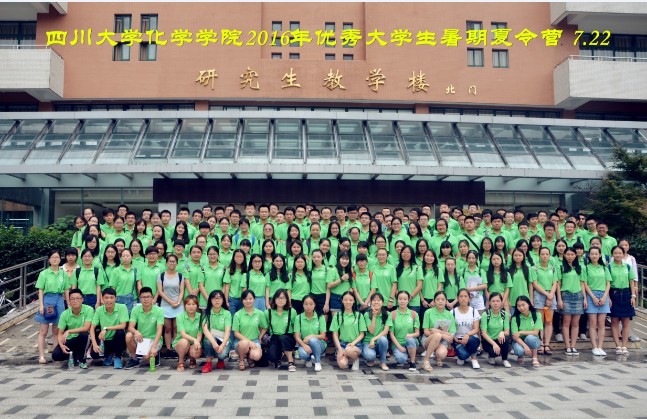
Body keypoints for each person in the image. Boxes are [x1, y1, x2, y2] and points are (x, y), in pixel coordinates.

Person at [35, 250, 70, 365]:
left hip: (59, 300)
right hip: (47, 300)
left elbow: (66, 290)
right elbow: (40, 290)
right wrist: (41, 305)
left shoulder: (63, 274)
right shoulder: (44, 273)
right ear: (49, 259)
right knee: (43, 330)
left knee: (57, 330)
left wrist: (68, 304)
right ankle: (41, 355)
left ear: (60, 259)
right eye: (53, 257)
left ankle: (56, 356)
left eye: (57, 257)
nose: (55, 259)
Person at [51, 289, 94, 368]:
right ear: (69, 301)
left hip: (83, 339)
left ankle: (82, 360)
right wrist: (61, 345)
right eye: (72, 299)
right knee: (56, 355)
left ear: (82, 300)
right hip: (71, 339)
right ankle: (73, 356)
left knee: (84, 334)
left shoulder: (89, 310)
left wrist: (69, 331)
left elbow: (86, 327)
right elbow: (60, 333)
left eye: (78, 298)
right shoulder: (65, 314)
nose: (75, 301)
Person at [124, 287, 165, 369]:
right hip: (141, 338)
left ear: (152, 297)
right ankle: (134, 359)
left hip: (153, 339)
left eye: (148, 297)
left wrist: (153, 346)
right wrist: (136, 332)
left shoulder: (159, 310)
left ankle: (154, 354)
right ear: (140, 298)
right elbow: (130, 327)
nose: (146, 299)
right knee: (128, 336)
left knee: (147, 357)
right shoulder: (135, 309)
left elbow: (159, 330)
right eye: (143, 297)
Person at [608, 245, 638, 355]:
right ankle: (617, 345)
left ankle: (624, 345)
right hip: (614, 293)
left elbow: (631, 282)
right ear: (612, 254)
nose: (618, 255)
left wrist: (633, 296)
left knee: (626, 321)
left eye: (620, 253)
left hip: (626, 293)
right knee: (614, 321)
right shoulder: (609, 267)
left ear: (623, 253)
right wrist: (609, 298)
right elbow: (608, 283)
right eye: (615, 253)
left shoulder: (628, 266)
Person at [557, 247, 586, 355]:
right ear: (564, 255)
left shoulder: (580, 267)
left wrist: (584, 298)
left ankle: (573, 346)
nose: (570, 256)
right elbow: (558, 284)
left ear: (576, 255)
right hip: (566, 295)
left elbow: (582, 283)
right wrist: (559, 299)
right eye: (568, 254)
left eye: (572, 254)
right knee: (566, 323)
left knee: (575, 323)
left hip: (578, 296)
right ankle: (567, 346)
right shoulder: (561, 267)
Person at [89, 288, 128, 369]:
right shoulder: (99, 310)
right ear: (102, 299)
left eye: (111, 298)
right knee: (94, 354)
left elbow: (123, 325)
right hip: (105, 340)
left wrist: (106, 328)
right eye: (106, 298)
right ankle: (109, 355)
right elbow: (92, 328)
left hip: (117, 340)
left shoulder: (122, 307)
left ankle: (118, 357)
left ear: (115, 298)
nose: (109, 300)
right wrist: (94, 344)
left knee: (120, 332)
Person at [583, 247, 611, 356]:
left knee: (601, 323)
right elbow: (585, 284)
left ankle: (600, 346)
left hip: (603, 295)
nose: (594, 256)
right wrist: (593, 297)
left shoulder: (604, 268)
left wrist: (604, 297)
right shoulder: (586, 268)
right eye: (592, 254)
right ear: (589, 255)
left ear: (600, 255)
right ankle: (594, 347)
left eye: (596, 254)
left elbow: (608, 283)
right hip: (591, 295)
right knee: (593, 323)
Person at [233, 290, 268, 371]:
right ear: (242, 300)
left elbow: (265, 327)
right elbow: (236, 333)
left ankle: (250, 358)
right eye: (245, 299)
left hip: (255, 341)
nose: (248, 301)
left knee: (256, 356)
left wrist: (260, 336)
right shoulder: (238, 314)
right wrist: (249, 342)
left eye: (250, 299)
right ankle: (241, 359)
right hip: (240, 342)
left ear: (254, 299)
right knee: (244, 343)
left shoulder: (259, 313)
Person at [330, 291, 366, 371]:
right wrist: (339, 348)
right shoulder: (338, 315)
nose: (348, 302)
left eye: (350, 300)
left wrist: (353, 343)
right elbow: (335, 334)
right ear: (342, 301)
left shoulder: (359, 315)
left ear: (354, 301)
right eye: (345, 300)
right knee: (342, 364)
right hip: (342, 344)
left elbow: (362, 334)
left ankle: (355, 359)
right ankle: (348, 357)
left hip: (355, 345)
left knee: (348, 350)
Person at [420, 291, 456, 371]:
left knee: (442, 354)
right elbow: (426, 331)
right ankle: (426, 360)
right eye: (438, 299)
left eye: (443, 299)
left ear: (446, 301)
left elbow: (451, 333)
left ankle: (438, 357)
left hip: (442, 341)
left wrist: (438, 331)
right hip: (428, 339)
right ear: (434, 301)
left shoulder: (449, 314)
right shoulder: (428, 312)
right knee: (437, 335)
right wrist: (441, 334)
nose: (440, 301)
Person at [531, 247, 557, 355]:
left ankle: (547, 344)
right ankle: (540, 344)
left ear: (550, 256)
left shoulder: (553, 268)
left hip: (551, 295)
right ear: (539, 255)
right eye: (542, 254)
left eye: (547, 254)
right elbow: (535, 284)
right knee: (540, 321)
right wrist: (547, 295)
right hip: (539, 295)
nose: (545, 256)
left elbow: (555, 282)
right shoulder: (534, 268)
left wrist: (551, 295)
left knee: (549, 321)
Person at [158, 254, 185, 359]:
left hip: (178, 305)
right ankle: (168, 349)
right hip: (165, 305)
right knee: (168, 328)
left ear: (177, 263)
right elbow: (160, 291)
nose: (172, 263)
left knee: (176, 328)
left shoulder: (180, 276)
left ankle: (176, 348)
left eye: (174, 261)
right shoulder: (161, 276)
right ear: (166, 263)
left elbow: (181, 291)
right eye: (170, 261)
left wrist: (178, 302)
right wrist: (170, 302)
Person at [265, 289, 297, 371]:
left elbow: (295, 327)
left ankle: (290, 361)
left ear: (286, 300)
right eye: (278, 298)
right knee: (272, 357)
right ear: (274, 299)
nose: (280, 300)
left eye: (283, 298)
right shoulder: (268, 312)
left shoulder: (292, 311)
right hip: (275, 337)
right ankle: (280, 354)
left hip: (288, 337)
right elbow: (265, 327)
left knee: (283, 338)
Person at [201, 290, 232, 373]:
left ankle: (220, 360)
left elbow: (227, 331)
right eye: (214, 298)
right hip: (212, 338)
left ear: (223, 300)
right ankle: (208, 363)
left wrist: (222, 345)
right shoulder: (206, 312)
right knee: (207, 341)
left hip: (223, 339)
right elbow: (205, 330)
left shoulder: (227, 313)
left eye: (219, 298)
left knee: (222, 354)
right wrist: (214, 343)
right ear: (210, 300)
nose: (217, 300)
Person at [294, 294, 327, 372]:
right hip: (305, 344)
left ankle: (317, 362)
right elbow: (297, 336)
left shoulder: (320, 317)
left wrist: (311, 336)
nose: (308, 306)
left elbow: (323, 336)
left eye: (311, 304)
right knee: (302, 354)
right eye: (306, 304)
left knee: (313, 340)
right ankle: (308, 359)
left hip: (319, 344)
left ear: (314, 305)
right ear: (303, 305)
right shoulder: (298, 318)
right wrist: (304, 345)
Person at [389, 290, 420, 371]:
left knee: (410, 340)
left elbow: (417, 332)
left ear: (408, 300)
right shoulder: (392, 314)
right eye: (400, 299)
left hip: (411, 342)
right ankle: (405, 354)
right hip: (398, 343)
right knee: (401, 359)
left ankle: (412, 362)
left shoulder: (413, 314)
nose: (402, 301)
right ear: (397, 300)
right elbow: (391, 334)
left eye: (405, 299)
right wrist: (399, 347)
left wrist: (411, 335)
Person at [451, 288, 481, 369]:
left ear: (469, 298)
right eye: (461, 296)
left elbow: (476, 329)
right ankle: (464, 354)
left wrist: (467, 334)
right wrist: (454, 338)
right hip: (459, 340)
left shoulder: (474, 311)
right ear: (457, 298)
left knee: (471, 340)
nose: (463, 298)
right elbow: (450, 329)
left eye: (465, 296)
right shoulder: (453, 312)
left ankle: (474, 358)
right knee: (463, 356)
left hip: (472, 338)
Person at [361, 293, 391, 371]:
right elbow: (371, 331)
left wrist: (373, 339)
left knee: (383, 339)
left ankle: (383, 362)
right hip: (368, 342)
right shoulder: (367, 314)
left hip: (380, 342)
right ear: (371, 303)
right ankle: (371, 358)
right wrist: (374, 316)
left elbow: (386, 331)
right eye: (374, 300)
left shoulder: (388, 314)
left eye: (379, 300)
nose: (376, 302)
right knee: (369, 356)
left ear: (382, 302)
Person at [480, 292, 511, 368]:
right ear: (489, 303)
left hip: (500, 339)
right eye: (493, 301)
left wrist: (502, 332)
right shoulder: (485, 315)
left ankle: (505, 359)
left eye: (498, 301)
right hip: (489, 341)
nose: (495, 303)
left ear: (501, 302)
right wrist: (494, 344)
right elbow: (484, 333)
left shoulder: (505, 314)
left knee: (506, 338)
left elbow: (507, 331)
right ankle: (491, 356)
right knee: (493, 352)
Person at [173, 295, 202, 371]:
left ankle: (192, 358)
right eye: (188, 304)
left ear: (197, 305)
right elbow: (183, 334)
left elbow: (199, 334)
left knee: (196, 352)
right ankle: (181, 361)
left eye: (193, 304)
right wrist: (195, 340)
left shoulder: (200, 317)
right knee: (184, 342)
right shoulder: (180, 317)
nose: (191, 306)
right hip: (181, 342)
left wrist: (197, 342)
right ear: (185, 305)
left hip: (194, 343)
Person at [511, 296, 542, 367]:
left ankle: (534, 357)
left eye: (523, 305)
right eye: (519, 306)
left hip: (534, 340)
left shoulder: (537, 315)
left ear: (528, 304)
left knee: (530, 338)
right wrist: (525, 346)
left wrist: (521, 332)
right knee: (519, 351)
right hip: (519, 341)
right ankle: (520, 356)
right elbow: (515, 336)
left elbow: (535, 332)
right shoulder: (515, 318)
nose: (521, 308)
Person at [109, 249, 138, 314]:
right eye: (123, 256)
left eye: (127, 256)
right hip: (119, 300)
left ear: (131, 257)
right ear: (120, 257)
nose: (125, 258)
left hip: (133, 300)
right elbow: (113, 288)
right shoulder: (116, 271)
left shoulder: (135, 270)